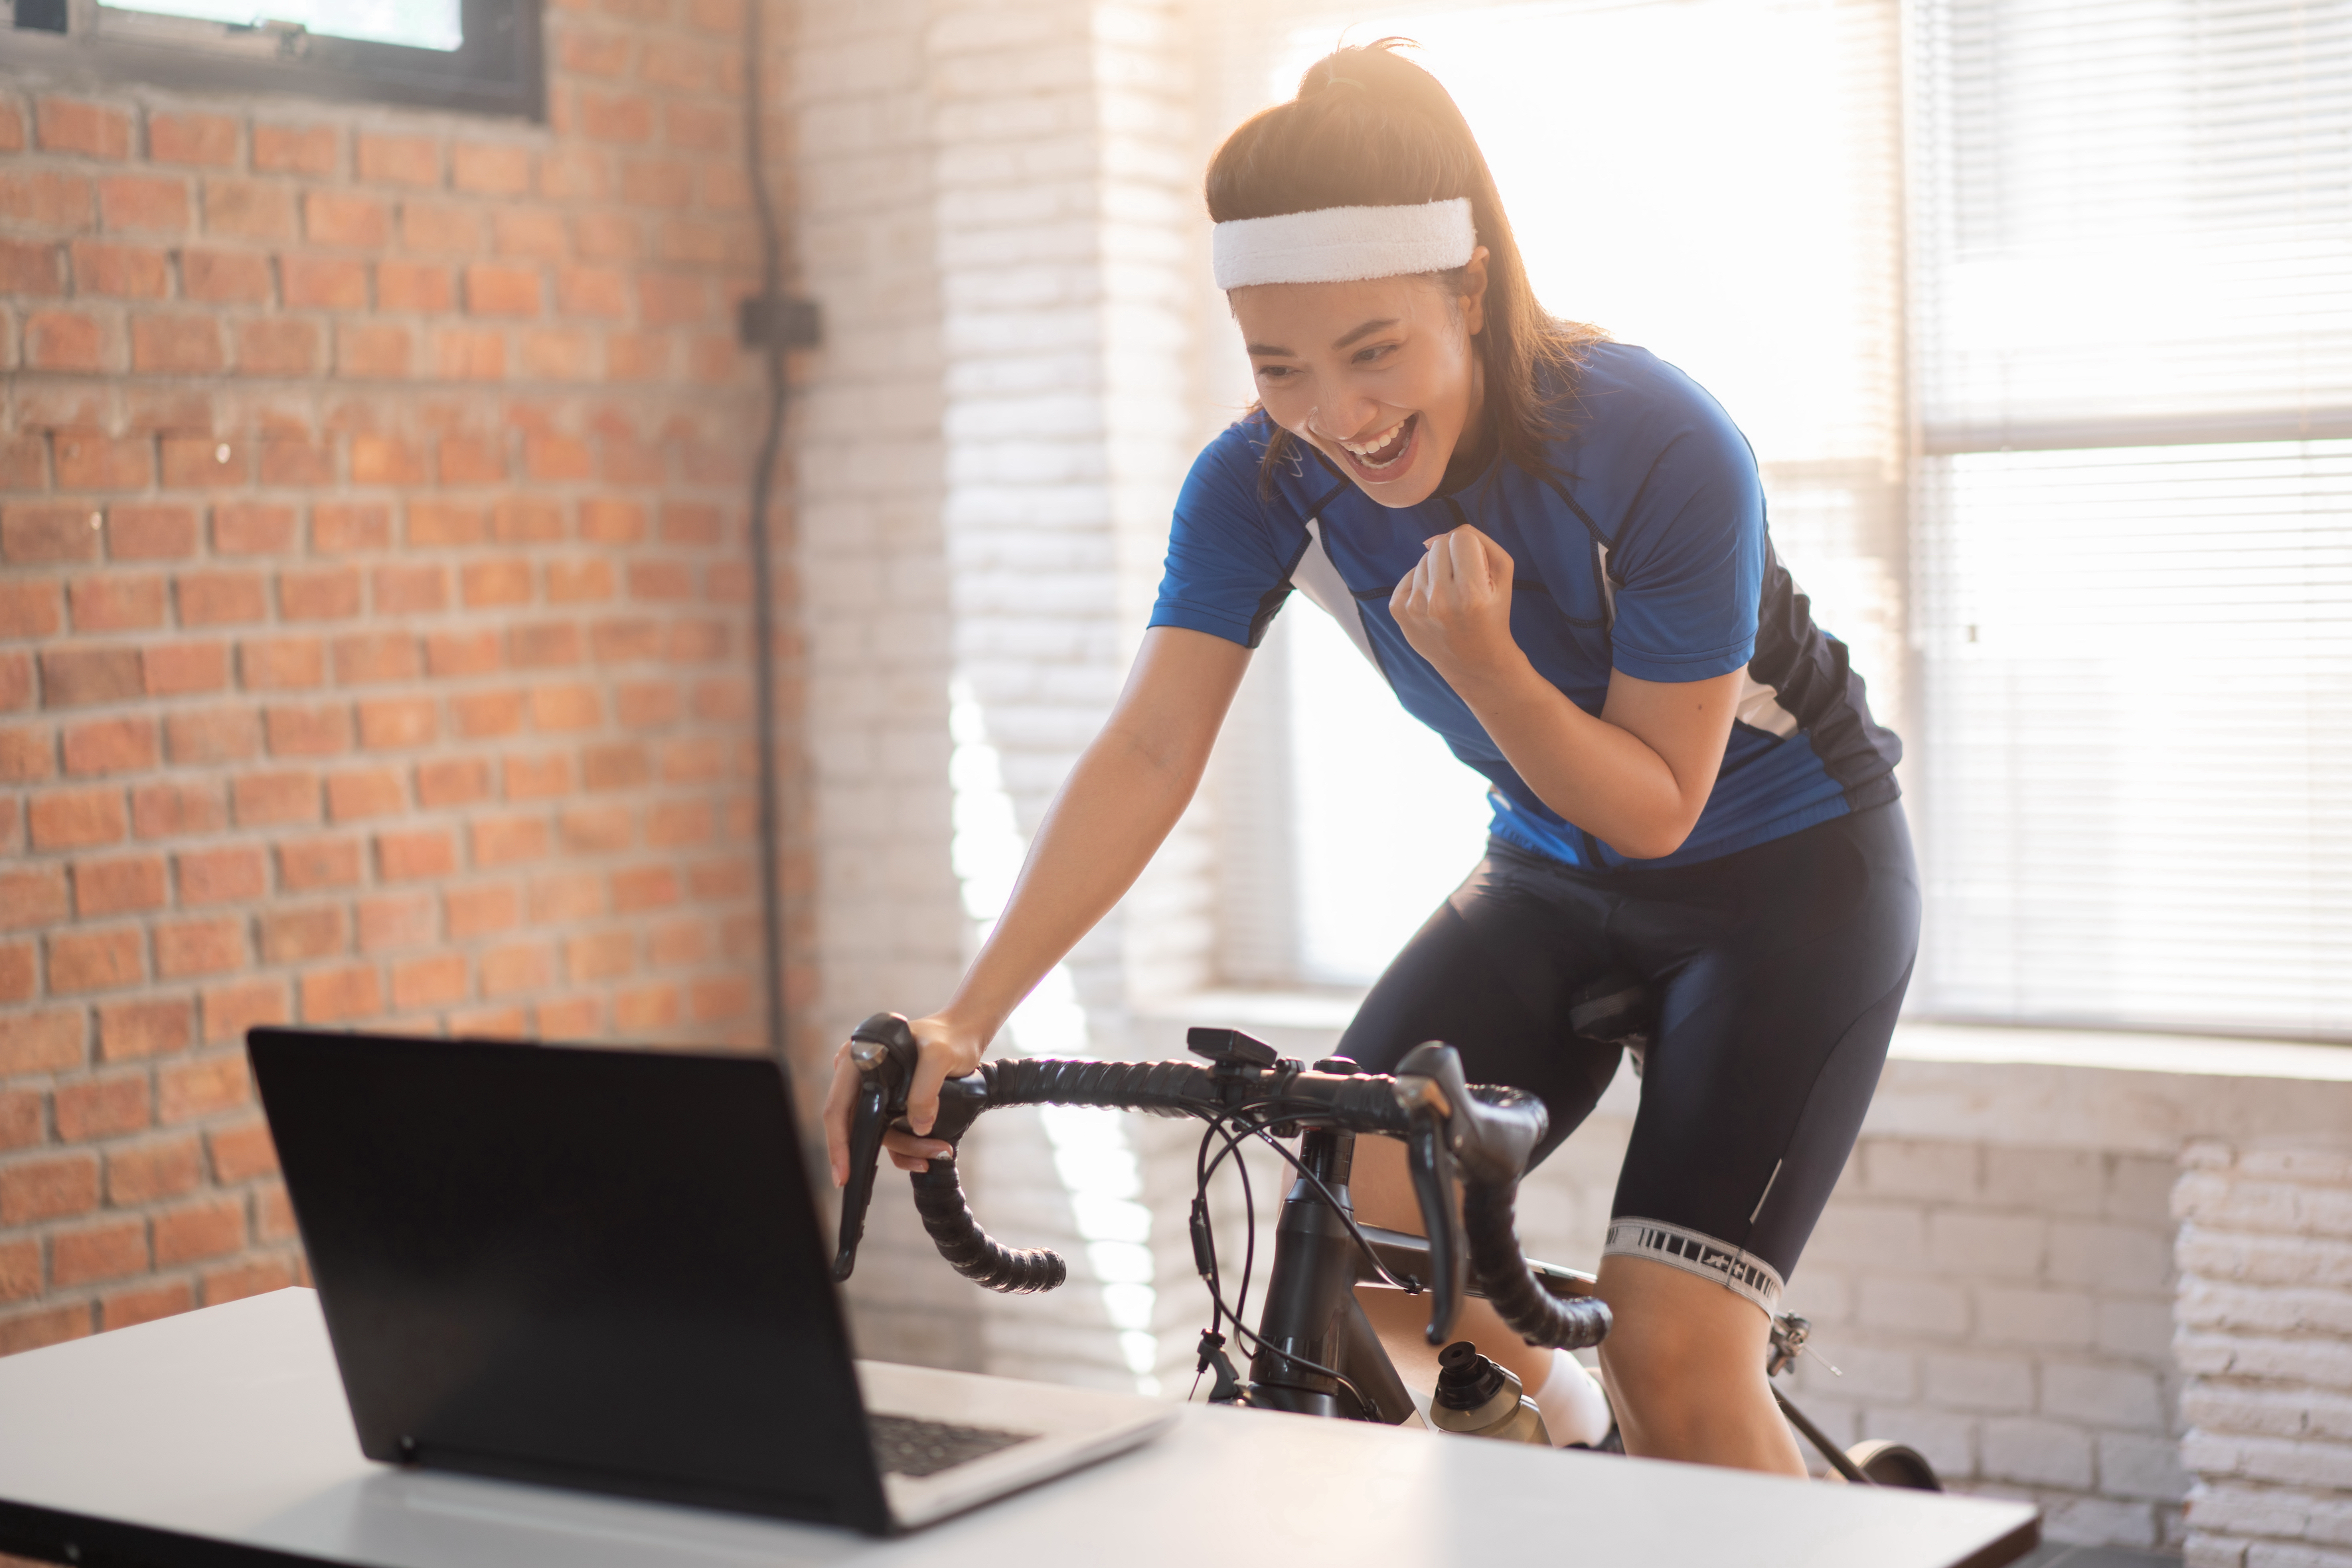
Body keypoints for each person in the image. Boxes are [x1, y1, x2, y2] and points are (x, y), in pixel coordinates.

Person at [825, 40, 1918, 1476]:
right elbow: (1152, 744)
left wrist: (1488, 667)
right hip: (1543, 871)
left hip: (1785, 882)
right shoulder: (1259, 479)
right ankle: (1576, 1443)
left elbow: (1656, 806)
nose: (1334, 415)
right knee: (1356, 1241)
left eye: (1372, 352)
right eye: (1279, 365)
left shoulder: (1657, 440)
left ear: (1465, 291)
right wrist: (967, 1017)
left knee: (1670, 1345)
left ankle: (1670, 1423)